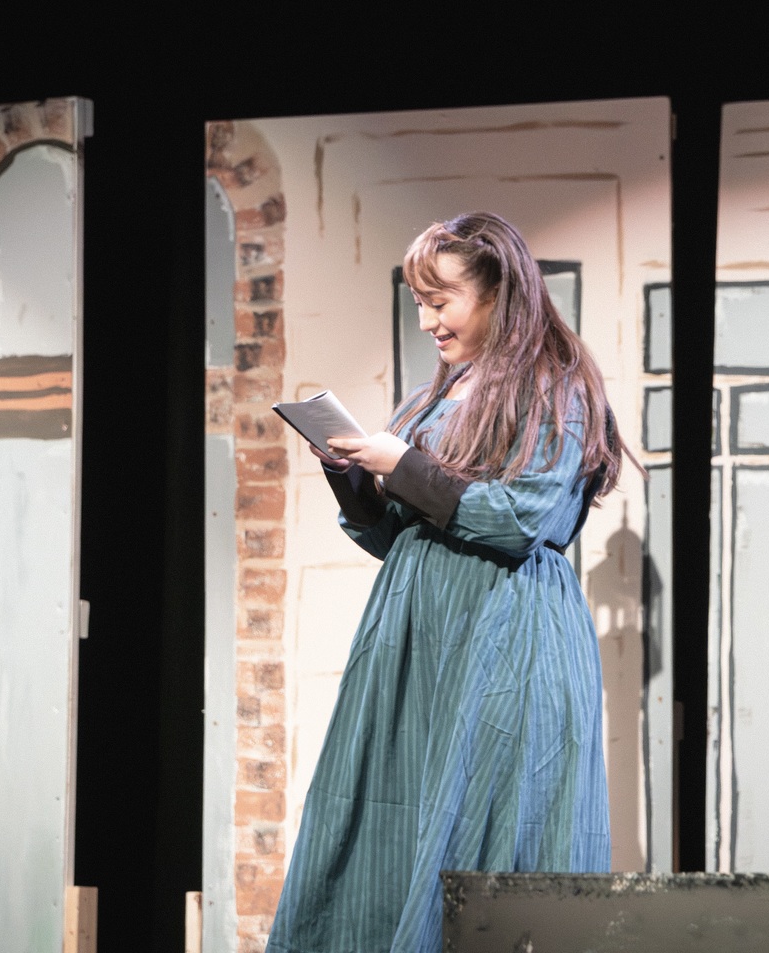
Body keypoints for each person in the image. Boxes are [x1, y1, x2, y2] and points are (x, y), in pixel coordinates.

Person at [266, 212, 627, 953]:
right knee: (392, 818)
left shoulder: (554, 390)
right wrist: (355, 480)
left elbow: (518, 519)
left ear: (500, 292)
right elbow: (398, 536)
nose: (428, 320)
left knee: (489, 819)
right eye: (420, 303)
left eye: (442, 300)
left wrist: (402, 464)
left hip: (504, 635)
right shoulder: (438, 396)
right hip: (418, 641)